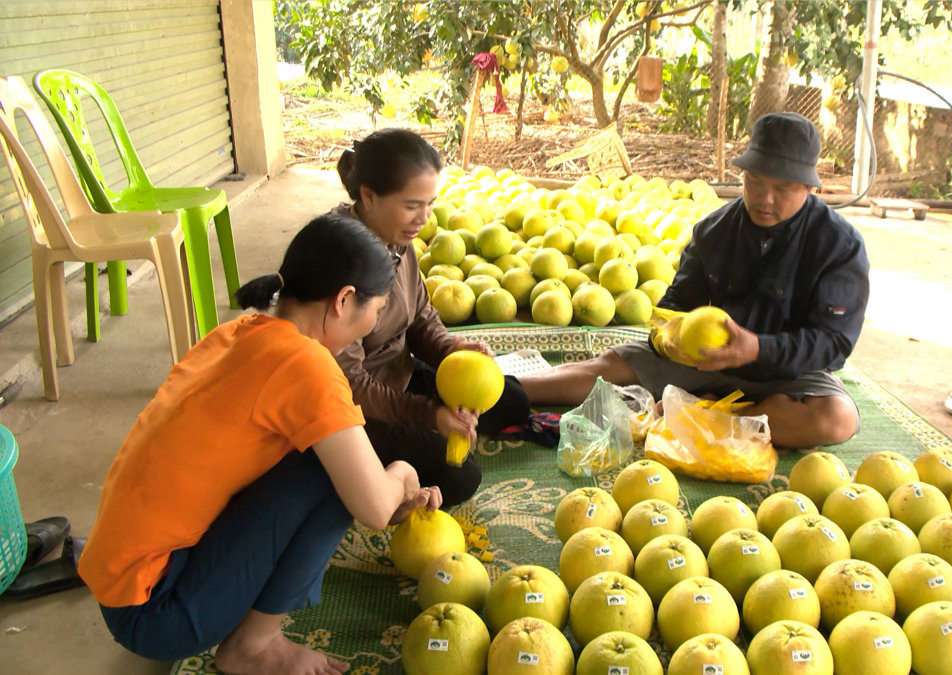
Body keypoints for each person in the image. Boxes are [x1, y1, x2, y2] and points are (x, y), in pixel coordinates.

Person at [78, 214, 440, 675]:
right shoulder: (308, 366)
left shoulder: (236, 334)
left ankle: (242, 627)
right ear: (344, 300)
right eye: (376, 309)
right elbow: (373, 507)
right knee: (332, 475)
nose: (373, 323)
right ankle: (255, 645)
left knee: (323, 454)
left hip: (124, 583)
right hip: (155, 614)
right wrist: (402, 475)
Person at [520, 112, 868, 449]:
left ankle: (700, 415)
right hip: (705, 361)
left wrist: (758, 349)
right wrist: (667, 338)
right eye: (755, 181)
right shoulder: (715, 231)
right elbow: (673, 306)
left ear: (810, 187)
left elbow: (833, 343)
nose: (764, 198)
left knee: (837, 418)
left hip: (785, 373)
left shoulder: (839, 245)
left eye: (782, 188)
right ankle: (513, 387)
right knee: (610, 365)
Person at [333, 128, 530, 507]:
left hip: (401, 372)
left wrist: (450, 350)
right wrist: (428, 415)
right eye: (411, 205)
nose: (424, 218)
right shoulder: (342, 263)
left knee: (513, 400)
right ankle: (374, 469)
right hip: (366, 407)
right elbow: (351, 385)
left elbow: (421, 316)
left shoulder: (396, 238)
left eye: (429, 203)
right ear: (368, 196)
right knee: (461, 475)